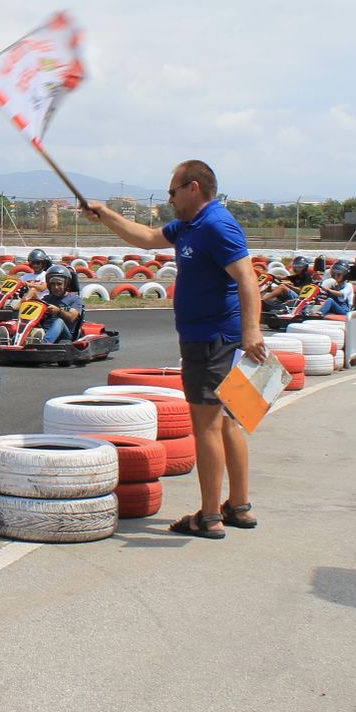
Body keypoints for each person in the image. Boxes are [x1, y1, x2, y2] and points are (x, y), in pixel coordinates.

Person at [84, 160, 266, 539]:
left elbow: (248, 277)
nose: (169, 199)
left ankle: (211, 515)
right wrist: (105, 215)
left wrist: (251, 331)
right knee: (229, 422)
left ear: (194, 187)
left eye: (173, 191)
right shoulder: (188, 226)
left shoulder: (215, 225)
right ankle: (239, 506)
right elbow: (148, 238)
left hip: (213, 339)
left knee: (207, 427)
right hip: (211, 337)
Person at [34, 264, 85, 344]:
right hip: (45, 331)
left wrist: (58, 312)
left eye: (59, 284)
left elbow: (72, 317)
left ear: (66, 284)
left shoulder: (74, 299)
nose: (56, 287)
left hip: (65, 335)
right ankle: (14, 341)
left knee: (59, 321)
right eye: (53, 284)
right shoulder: (45, 299)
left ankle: (44, 344)